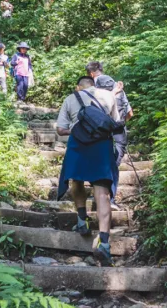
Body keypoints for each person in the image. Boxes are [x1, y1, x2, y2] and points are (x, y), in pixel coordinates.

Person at [55, 75, 123, 266]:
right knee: (102, 192)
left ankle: (82, 219)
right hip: (101, 144)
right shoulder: (109, 96)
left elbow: (60, 130)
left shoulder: (70, 99)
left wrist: (77, 129)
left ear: (79, 87)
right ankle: (104, 242)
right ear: (94, 85)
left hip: (78, 143)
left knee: (76, 179)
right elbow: (115, 122)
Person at [88, 62, 133, 209]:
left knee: (100, 163)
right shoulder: (120, 92)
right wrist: (121, 123)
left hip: (101, 133)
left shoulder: (95, 95)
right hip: (119, 133)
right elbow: (130, 114)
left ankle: (99, 196)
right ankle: (110, 199)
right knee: (113, 166)